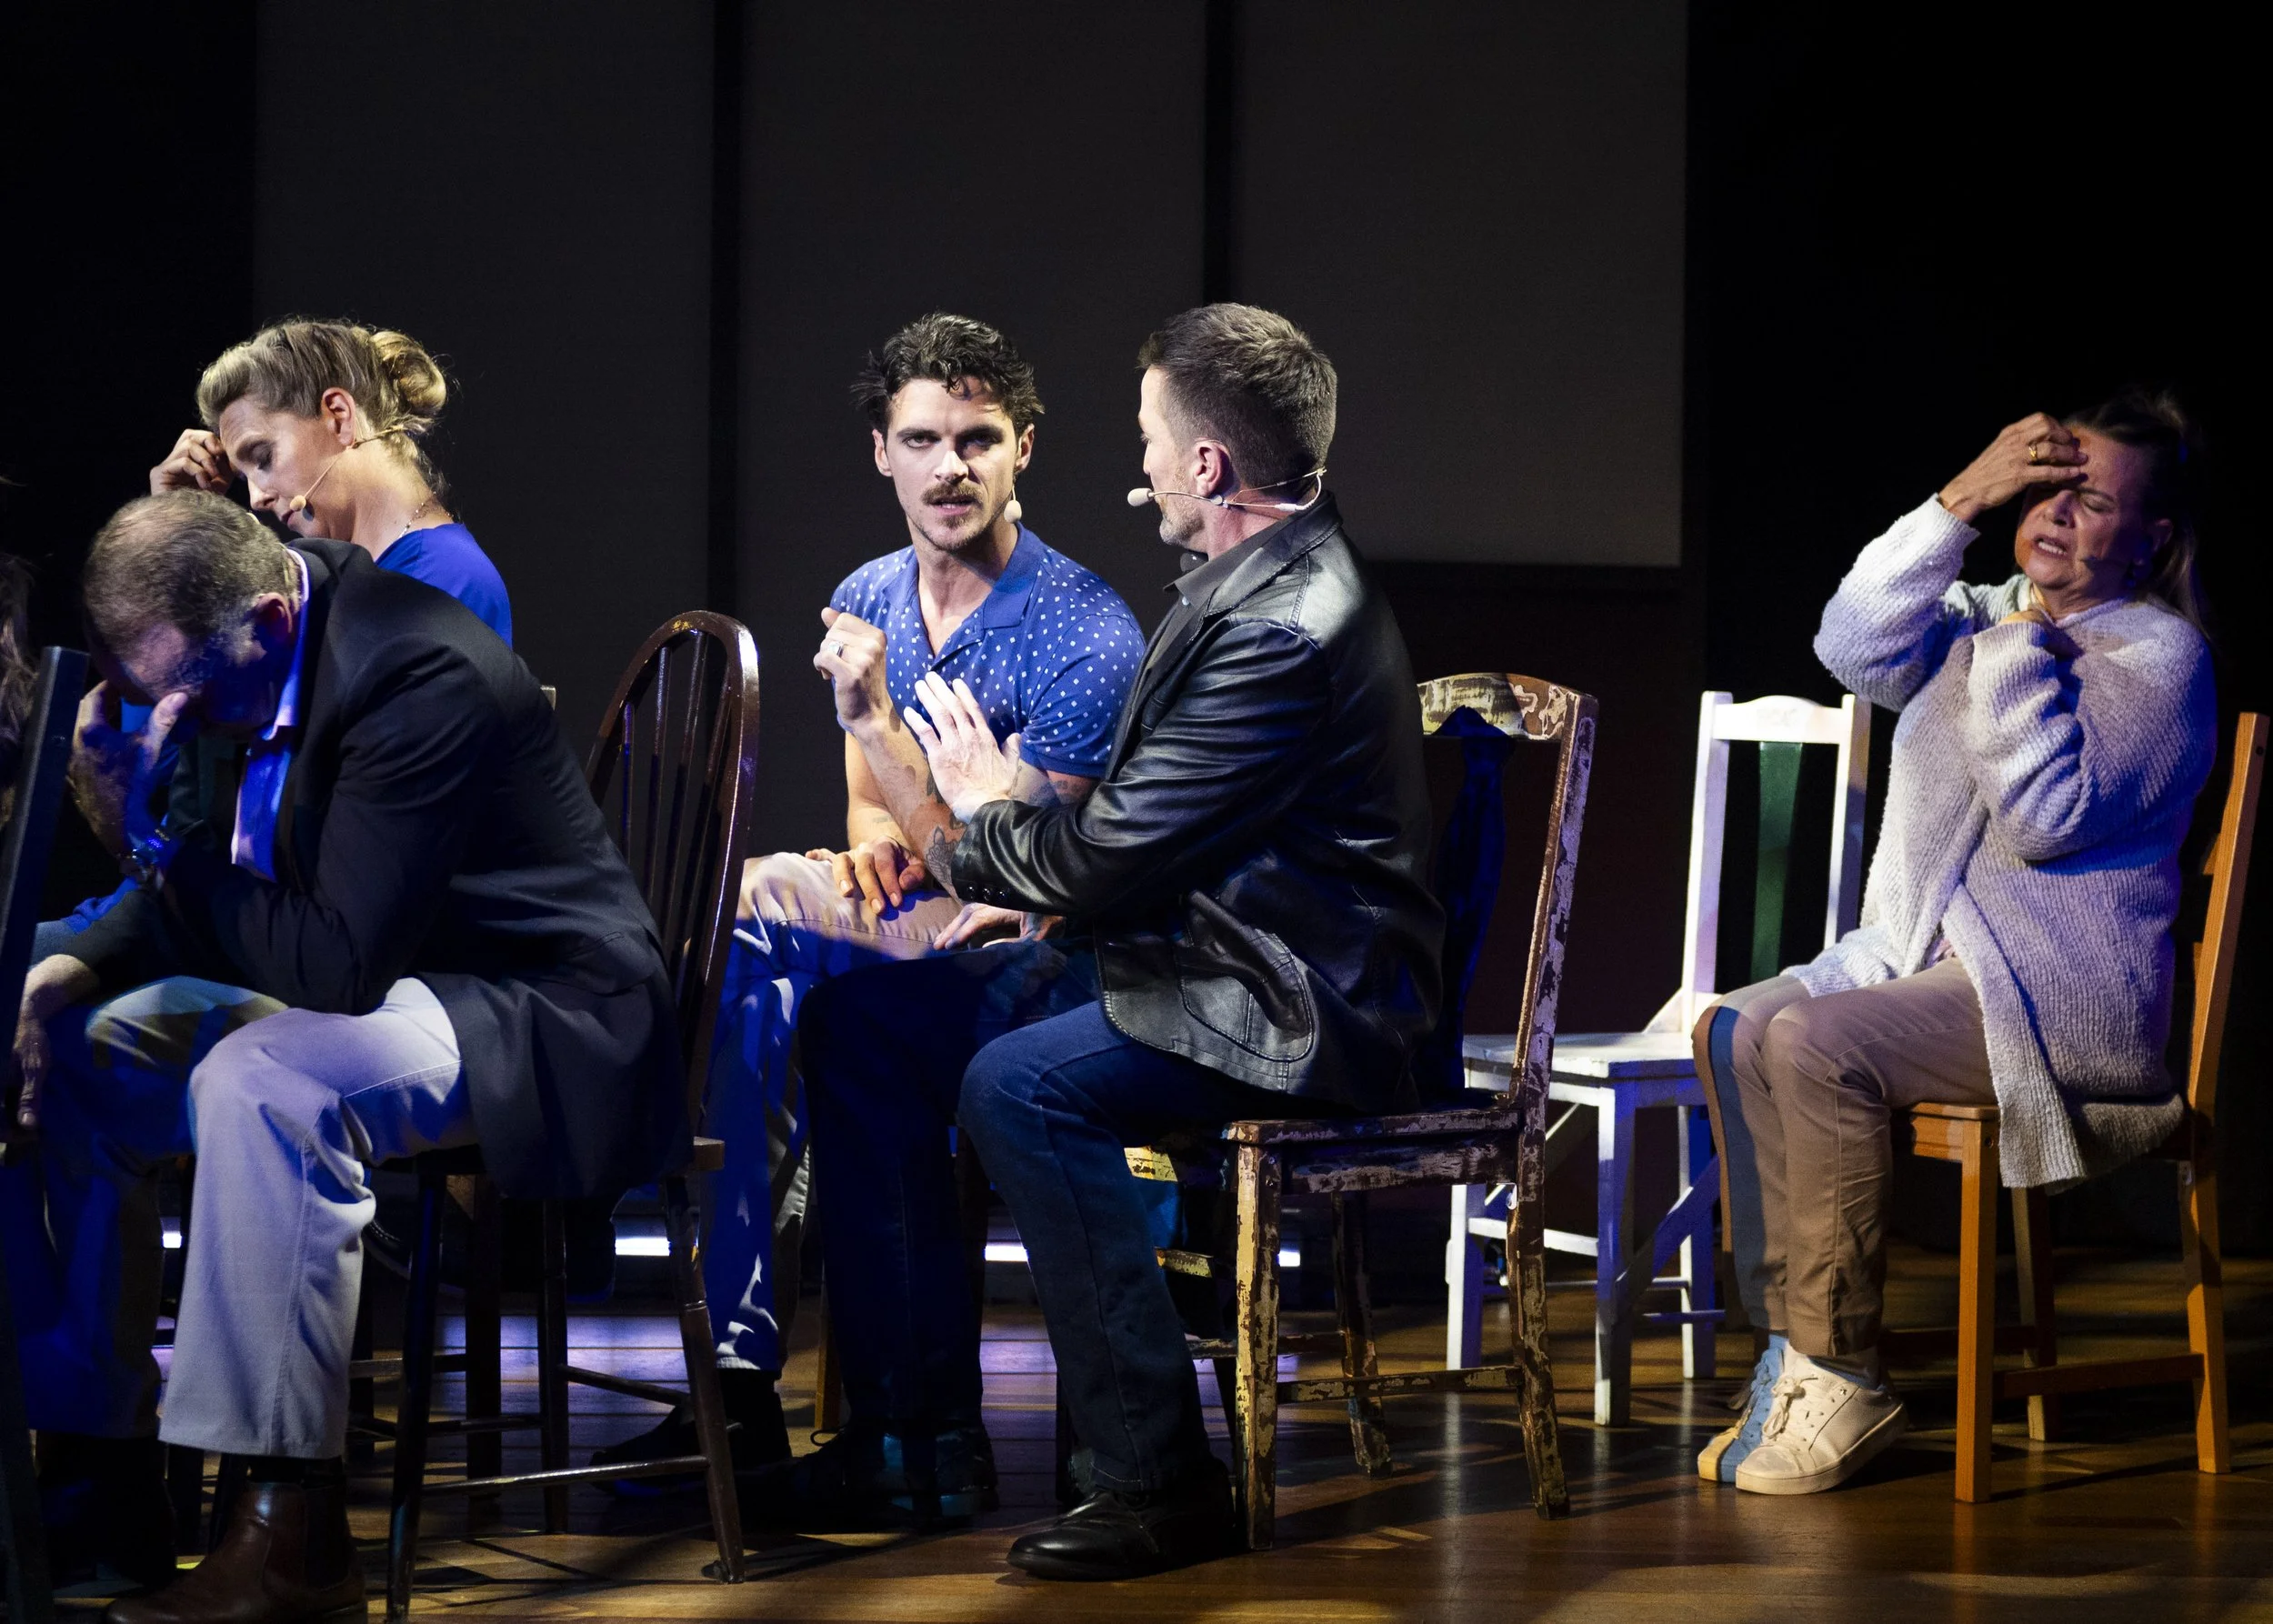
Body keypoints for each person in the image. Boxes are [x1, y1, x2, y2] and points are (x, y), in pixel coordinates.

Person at [753, 302, 1442, 1582]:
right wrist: (974, 806)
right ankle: (912, 1442)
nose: (1137, 463)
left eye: (1149, 436)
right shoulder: (1248, 581)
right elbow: (1124, 844)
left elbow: (1090, 863)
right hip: (1197, 952)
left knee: (1020, 1088)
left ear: (1208, 468)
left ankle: (1153, 1474)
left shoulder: (1277, 629)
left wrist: (957, 801)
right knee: (868, 1027)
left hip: (1284, 999)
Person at [3, 490, 685, 1623]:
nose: (174, 719)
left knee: (268, 1082)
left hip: (536, 1001)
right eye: (148, 695)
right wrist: (56, 974)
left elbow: (330, 968)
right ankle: (96, 1481)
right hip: (394, 977)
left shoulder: (417, 674)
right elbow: (206, 893)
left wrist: (148, 838)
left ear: (271, 620)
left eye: (187, 693)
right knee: (81, 1054)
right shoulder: (238, 653)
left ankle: (292, 1540)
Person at [592, 312, 1144, 1483]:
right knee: (730, 939)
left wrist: (887, 741)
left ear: (1025, 449)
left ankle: (899, 1420)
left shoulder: (1084, 629)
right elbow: (868, 811)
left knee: (842, 1011)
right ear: (881, 454)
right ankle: (736, 1375)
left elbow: (1021, 874)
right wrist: (871, 848)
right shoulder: (868, 593)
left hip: (1023, 938)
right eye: (925, 438)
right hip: (911, 907)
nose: (952, 466)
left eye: (980, 438)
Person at [1693, 389, 2217, 1497]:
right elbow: (1849, 646)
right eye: (2046, 490)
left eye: (2092, 500)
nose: (2058, 516)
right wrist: (1961, 499)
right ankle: (1791, 1350)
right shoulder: (1985, 610)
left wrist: (2021, 654)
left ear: (2153, 535)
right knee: (1736, 1026)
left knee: (1814, 1046)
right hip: (1935, 966)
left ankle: (1840, 1369)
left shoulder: (2160, 659)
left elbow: (2042, 820)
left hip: (2057, 998)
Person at [34, 319, 514, 967]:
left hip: (279, 933)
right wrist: (175, 533)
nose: (255, 496)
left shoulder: (440, 586)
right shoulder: (305, 585)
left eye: (263, 455)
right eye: (242, 470)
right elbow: (182, 786)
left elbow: (316, 848)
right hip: (196, 903)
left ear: (339, 417)